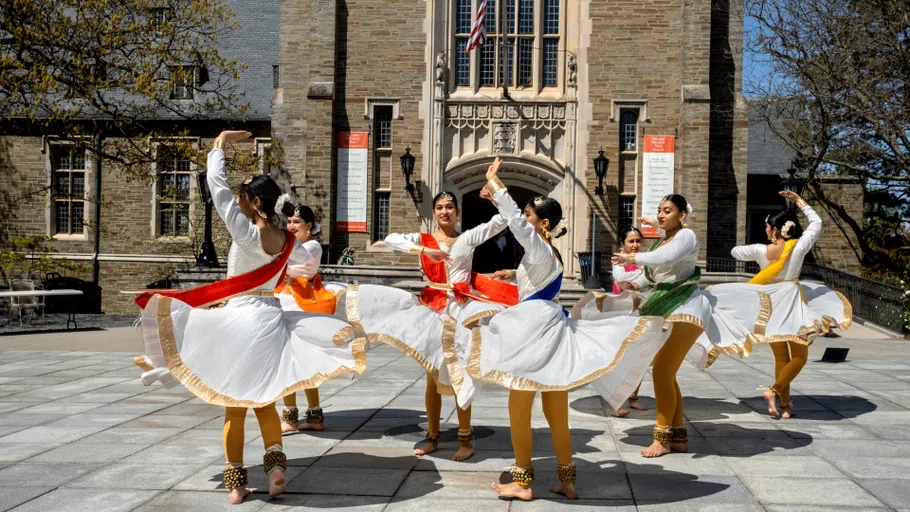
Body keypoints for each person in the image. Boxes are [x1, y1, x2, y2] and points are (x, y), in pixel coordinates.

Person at [133, 130, 366, 504]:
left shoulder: (243, 231)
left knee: (233, 404)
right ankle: (275, 468)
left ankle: (237, 484)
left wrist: (219, 147)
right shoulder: (289, 241)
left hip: (239, 318)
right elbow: (305, 268)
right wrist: (288, 271)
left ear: (256, 202)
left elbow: (217, 187)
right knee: (265, 399)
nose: (237, 203)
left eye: (244, 198)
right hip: (271, 319)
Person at [468, 159, 670, 500]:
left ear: (544, 223)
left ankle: (521, 481)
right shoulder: (553, 253)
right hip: (552, 330)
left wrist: (497, 185)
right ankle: (567, 480)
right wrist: (511, 272)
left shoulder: (534, 242)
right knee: (556, 413)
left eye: (532, 215)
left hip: (533, 332)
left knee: (519, 407)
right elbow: (536, 275)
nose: (526, 220)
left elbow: (516, 223)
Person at [340, 187, 518, 461]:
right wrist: (425, 250)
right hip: (430, 309)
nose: (444, 212)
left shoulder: (468, 238)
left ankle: (465, 438)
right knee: (432, 376)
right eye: (440, 207)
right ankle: (433, 435)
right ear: (433, 212)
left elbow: (502, 220)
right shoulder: (423, 239)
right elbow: (391, 238)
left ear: (457, 212)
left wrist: (495, 195)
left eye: (449, 207)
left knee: (460, 374)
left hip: (459, 309)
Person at [607, 194, 769, 457]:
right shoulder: (662, 240)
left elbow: (666, 258)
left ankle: (662, 437)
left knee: (661, 371)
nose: (661, 215)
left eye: (668, 211)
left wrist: (633, 259)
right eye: (660, 210)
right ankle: (678, 436)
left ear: (682, 215)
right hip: (666, 305)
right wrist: (633, 284)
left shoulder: (686, 236)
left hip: (686, 308)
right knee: (666, 374)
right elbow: (653, 276)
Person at [713, 191, 852, 418]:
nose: (765, 229)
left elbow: (735, 252)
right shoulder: (798, 247)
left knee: (781, 358)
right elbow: (816, 223)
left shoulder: (760, 250)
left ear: (775, 230)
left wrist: (751, 250)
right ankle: (776, 394)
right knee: (800, 357)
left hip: (770, 304)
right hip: (792, 301)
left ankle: (784, 405)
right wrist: (800, 203)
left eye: (767, 226)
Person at [274, 201, 346, 433]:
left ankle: (300, 416)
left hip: (301, 303)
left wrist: (277, 264)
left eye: (297, 222)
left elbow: (296, 266)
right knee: (288, 361)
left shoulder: (312, 246)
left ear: (309, 226)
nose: (291, 225)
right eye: (289, 222)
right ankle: (303, 415)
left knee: (298, 361)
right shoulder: (288, 245)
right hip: (286, 298)